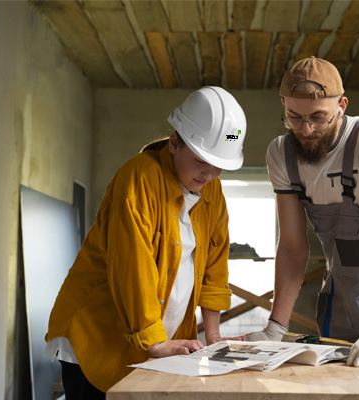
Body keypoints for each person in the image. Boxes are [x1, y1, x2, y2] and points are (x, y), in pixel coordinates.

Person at [246, 57, 359, 396]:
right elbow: (291, 246)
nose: (306, 130)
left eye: (318, 117)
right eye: (294, 117)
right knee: (336, 387)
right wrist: (275, 327)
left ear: (341, 105)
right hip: (340, 292)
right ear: (284, 106)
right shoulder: (281, 154)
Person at [45, 86, 248, 398]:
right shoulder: (139, 177)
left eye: (220, 165)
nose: (209, 174)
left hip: (153, 340)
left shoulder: (213, 192)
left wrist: (214, 333)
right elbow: (132, 268)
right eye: (200, 161)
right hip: (98, 333)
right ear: (174, 143)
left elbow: (214, 267)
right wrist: (156, 342)